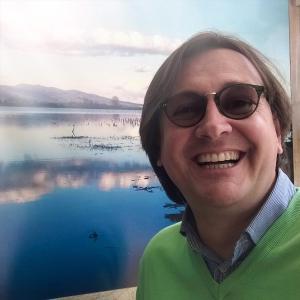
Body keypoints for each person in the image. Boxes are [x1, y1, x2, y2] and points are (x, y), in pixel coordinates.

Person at [136, 32, 299, 299]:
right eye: (186, 109)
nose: (213, 126)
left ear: (278, 132)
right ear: (159, 149)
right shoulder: (157, 259)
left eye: (240, 102)